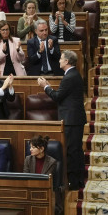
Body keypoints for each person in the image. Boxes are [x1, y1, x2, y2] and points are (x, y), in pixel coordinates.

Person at [37, 50, 86, 190]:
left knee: (72, 151)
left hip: (72, 119)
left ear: (67, 61)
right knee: (75, 150)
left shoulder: (70, 77)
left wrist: (45, 86)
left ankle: (74, 182)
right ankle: (77, 181)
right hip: (74, 119)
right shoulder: (72, 75)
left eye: (61, 58)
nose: (59, 60)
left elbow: (57, 97)